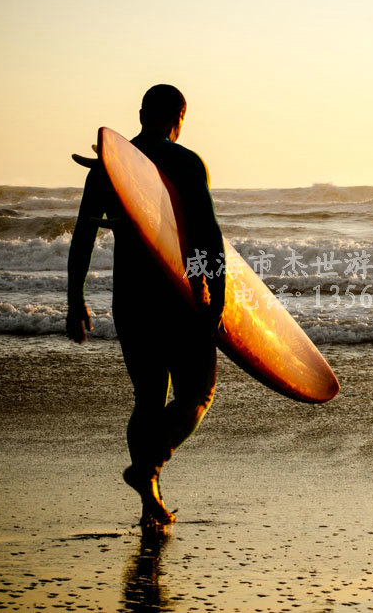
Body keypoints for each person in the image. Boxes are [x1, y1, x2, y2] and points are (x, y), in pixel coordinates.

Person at [66, 84, 225, 528]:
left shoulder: (107, 170)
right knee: (198, 392)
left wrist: (75, 298)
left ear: (140, 114)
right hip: (180, 297)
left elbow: (83, 237)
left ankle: (148, 503)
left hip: (131, 298)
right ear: (181, 116)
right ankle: (147, 468)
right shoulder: (187, 163)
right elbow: (208, 237)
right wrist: (218, 300)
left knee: (147, 398)